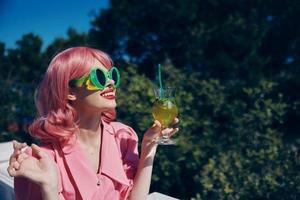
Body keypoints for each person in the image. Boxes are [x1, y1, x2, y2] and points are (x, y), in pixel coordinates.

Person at [7, 47, 179, 200]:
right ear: (70, 92)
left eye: (112, 75)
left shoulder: (123, 137)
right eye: (98, 77)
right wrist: (49, 188)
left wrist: (149, 148)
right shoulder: (42, 160)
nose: (111, 83)